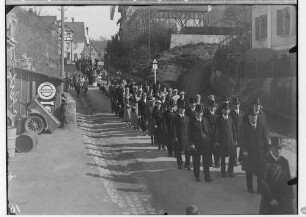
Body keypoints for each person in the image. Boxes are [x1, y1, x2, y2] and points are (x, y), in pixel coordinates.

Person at [259, 137, 295, 214]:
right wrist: (270, 199)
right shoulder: (265, 162)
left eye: (280, 148)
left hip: (283, 198)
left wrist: (290, 196)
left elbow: (288, 179)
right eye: (275, 148)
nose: (278, 150)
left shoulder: (284, 161)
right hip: (270, 199)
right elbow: (262, 182)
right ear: (271, 148)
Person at [239, 107, 269, 193]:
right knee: (249, 171)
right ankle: (250, 188)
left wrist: (267, 150)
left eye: (255, 115)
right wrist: (244, 150)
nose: (254, 117)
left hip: (260, 152)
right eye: (252, 116)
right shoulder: (244, 127)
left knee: (260, 171)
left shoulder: (260, 126)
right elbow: (242, 140)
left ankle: (260, 188)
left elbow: (265, 139)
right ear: (248, 117)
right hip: (249, 153)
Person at [188, 104, 213, 182]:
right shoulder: (192, 121)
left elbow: (209, 131)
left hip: (205, 144)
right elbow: (189, 133)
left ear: (202, 113)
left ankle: (207, 176)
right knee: (196, 161)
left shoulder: (205, 120)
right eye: (198, 112)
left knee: (206, 161)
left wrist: (209, 140)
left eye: (201, 112)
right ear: (195, 112)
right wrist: (191, 144)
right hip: (196, 145)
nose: (199, 114)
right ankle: (197, 176)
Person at [214, 99, 237, 177]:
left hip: (230, 141)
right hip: (222, 141)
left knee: (232, 156)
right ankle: (223, 172)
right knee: (223, 157)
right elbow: (216, 130)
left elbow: (234, 129)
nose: (226, 111)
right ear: (222, 110)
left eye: (227, 110)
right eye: (224, 110)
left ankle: (230, 171)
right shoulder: (218, 119)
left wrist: (235, 139)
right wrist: (216, 140)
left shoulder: (231, 119)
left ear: (229, 110)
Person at [173, 103, 191, 170]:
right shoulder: (176, 118)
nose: (182, 110)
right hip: (179, 137)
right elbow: (174, 128)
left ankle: (188, 164)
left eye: (183, 109)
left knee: (188, 151)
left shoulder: (188, 118)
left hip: (187, 137)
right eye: (181, 108)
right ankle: (180, 164)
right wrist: (175, 137)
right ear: (178, 109)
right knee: (178, 151)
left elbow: (190, 128)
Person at [204, 95, 220, 168]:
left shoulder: (217, 116)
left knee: (216, 149)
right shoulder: (206, 116)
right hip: (209, 134)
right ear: (209, 107)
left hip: (216, 135)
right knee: (209, 149)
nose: (212, 108)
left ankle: (217, 162)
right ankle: (210, 162)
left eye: (213, 107)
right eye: (211, 107)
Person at [229, 96, 244, 166]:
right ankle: (234, 160)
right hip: (234, 132)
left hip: (241, 133)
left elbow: (243, 123)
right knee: (234, 147)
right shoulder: (231, 114)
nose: (237, 105)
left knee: (242, 146)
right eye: (235, 104)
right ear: (233, 105)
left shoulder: (242, 113)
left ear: (239, 105)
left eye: (238, 104)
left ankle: (240, 159)